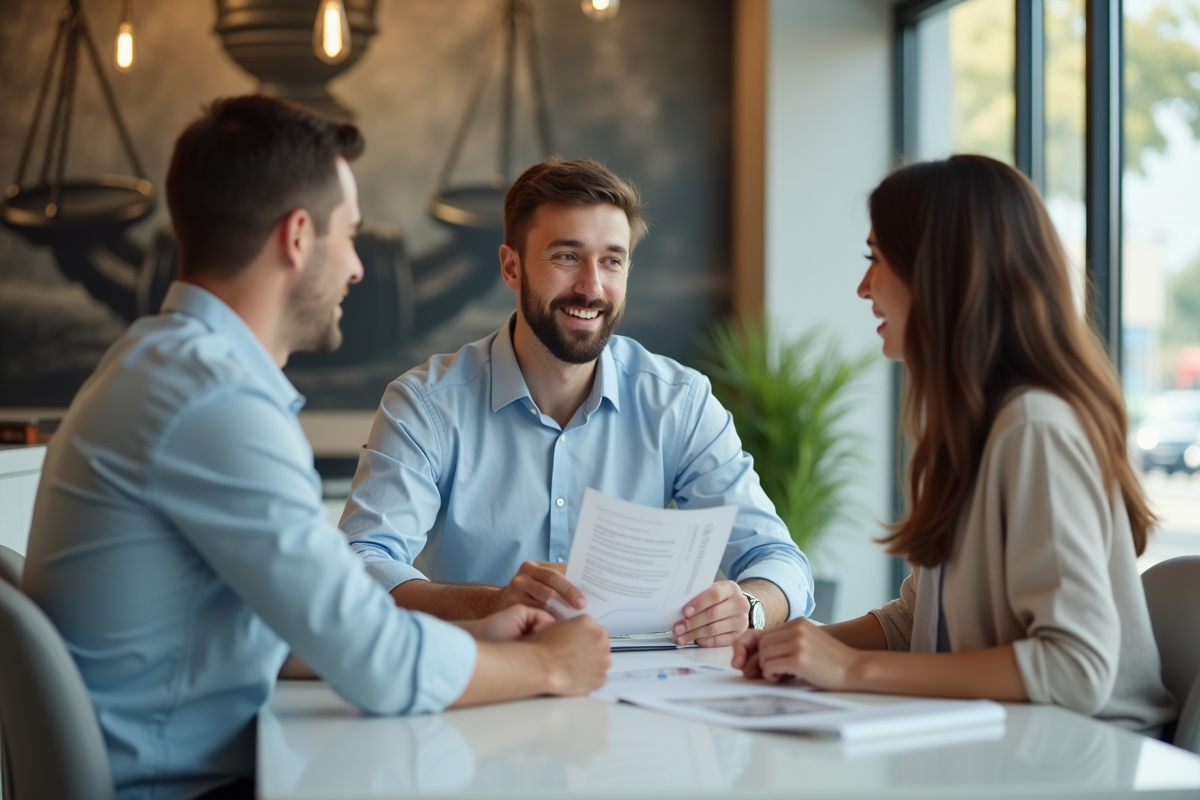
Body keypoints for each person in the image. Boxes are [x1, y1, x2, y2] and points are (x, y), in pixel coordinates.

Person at [20, 96, 610, 800]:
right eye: (350, 236)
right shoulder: (212, 400)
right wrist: (550, 666)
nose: (358, 268)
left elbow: (291, 630)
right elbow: (374, 662)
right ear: (298, 237)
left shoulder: (162, 366)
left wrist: (481, 635)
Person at [731, 155, 1177, 733]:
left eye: (878, 259)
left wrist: (853, 669)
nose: (864, 287)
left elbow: (1075, 669)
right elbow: (919, 621)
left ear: (941, 273)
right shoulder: (964, 428)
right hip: (1007, 742)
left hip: (1088, 757)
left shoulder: (1036, 429)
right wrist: (794, 644)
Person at [341, 157, 814, 647]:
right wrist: (491, 603)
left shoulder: (680, 403)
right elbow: (360, 563)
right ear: (511, 266)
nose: (591, 287)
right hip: (482, 684)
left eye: (612, 260)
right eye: (566, 257)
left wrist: (752, 606)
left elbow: (780, 560)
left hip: (643, 693)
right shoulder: (425, 406)